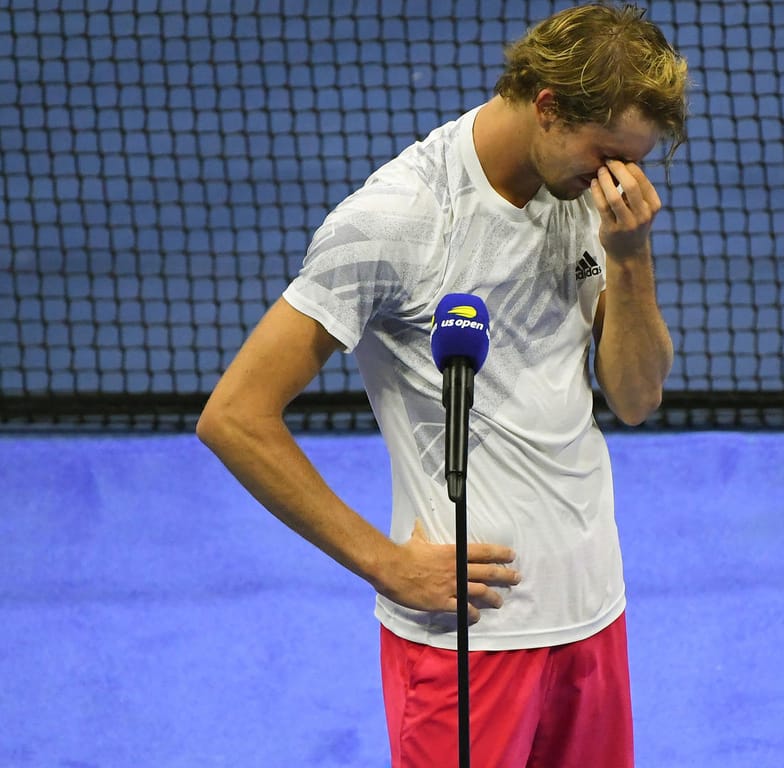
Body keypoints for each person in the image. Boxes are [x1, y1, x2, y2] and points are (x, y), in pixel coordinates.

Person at [196, 4, 689, 766]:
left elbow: (635, 398)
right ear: (550, 107)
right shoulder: (395, 220)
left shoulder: (587, 199)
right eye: (606, 155)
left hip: (593, 614)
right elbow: (234, 416)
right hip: (469, 646)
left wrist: (630, 258)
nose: (621, 179)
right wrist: (383, 562)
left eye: (635, 160)